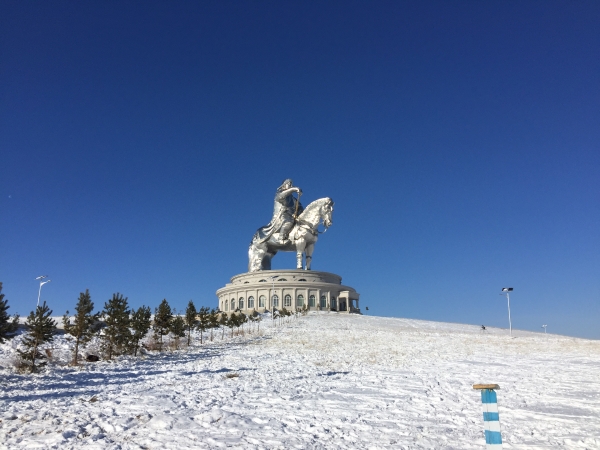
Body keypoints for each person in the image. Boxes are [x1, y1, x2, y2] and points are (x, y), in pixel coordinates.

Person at [255, 179, 303, 245]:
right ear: (284, 185)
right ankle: (281, 238)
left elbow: (299, 207)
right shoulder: (280, 193)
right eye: (289, 184)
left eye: (291, 185)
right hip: (283, 215)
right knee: (288, 222)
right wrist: (293, 189)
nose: (291, 185)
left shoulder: (293, 199)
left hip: (293, 216)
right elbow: (280, 197)